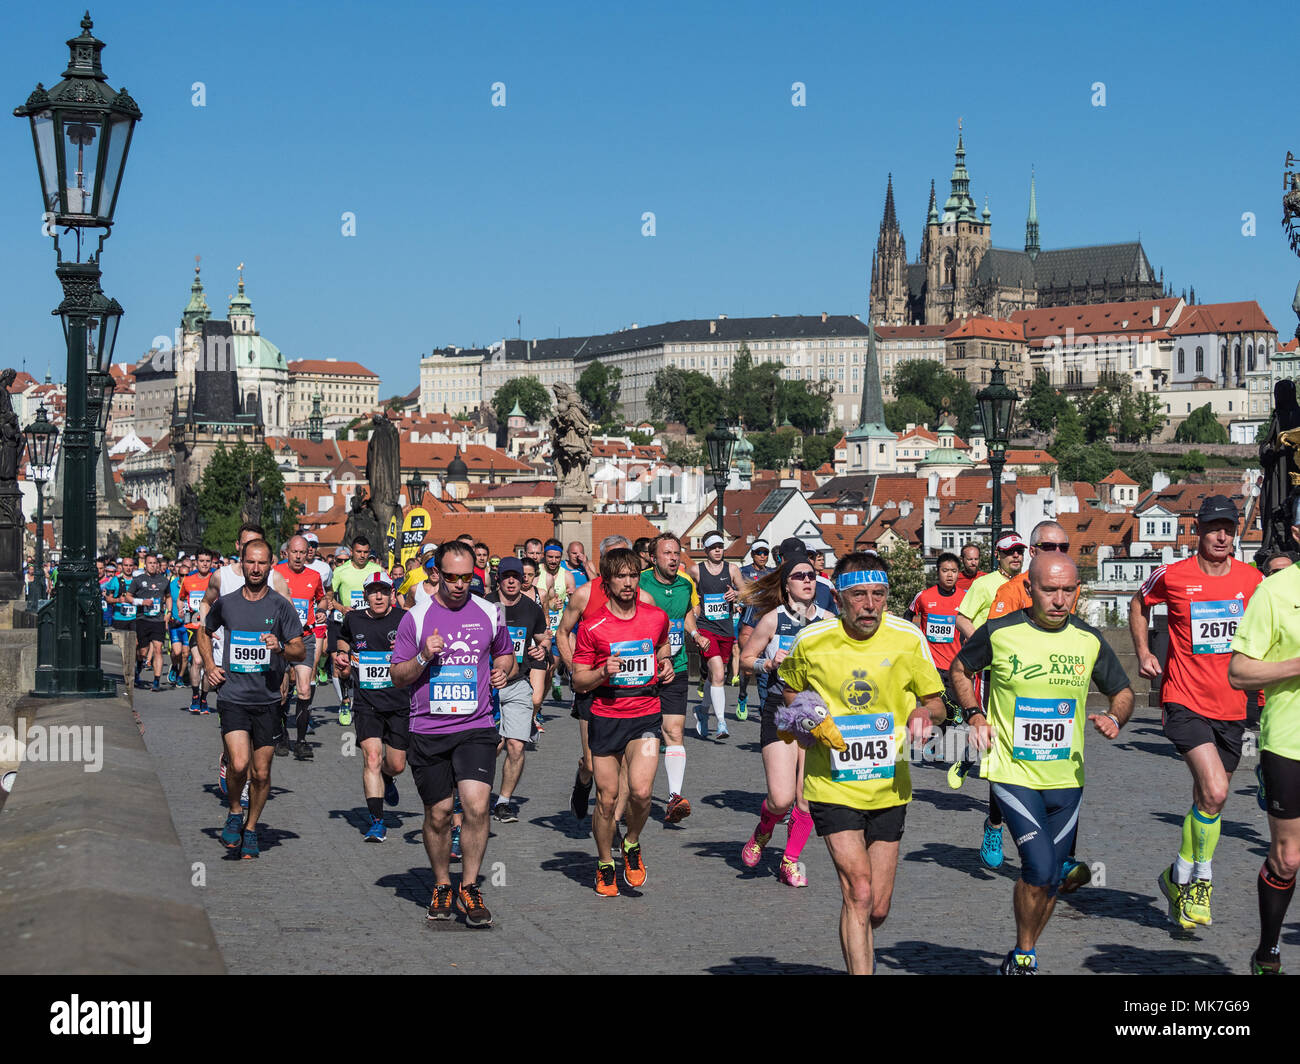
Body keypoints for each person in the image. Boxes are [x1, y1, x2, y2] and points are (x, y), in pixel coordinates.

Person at [952, 554, 1133, 974]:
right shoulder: (1000, 631)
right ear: (1029, 588)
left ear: (1078, 591)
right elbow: (961, 668)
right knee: (1038, 865)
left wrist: (1115, 716)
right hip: (1012, 771)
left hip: (1067, 776)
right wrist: (975, 715)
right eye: (1049, 590)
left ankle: (1022, 952)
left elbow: (1122, 691)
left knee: (1052, 878)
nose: (1059, 599)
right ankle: (1026, 957)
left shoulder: (1088, 639)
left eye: (1068, 590)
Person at [778, 552, 946, 974]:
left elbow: (937, 703)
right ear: (839, 596)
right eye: (859, 595)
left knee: (878, 907)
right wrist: (808, 719)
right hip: (831, 784)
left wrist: (924, 716)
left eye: (879, 594)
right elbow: (790, 694)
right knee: (859, 890)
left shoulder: (908, 638)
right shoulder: (811, 641)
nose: (870, 604)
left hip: (889, 786)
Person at [1131, 494, 1263, 930]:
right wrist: (1143, 651)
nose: (1222, 536)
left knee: (1209, 800)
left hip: (1234, 706)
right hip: (1184, 699)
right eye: (1214, 528)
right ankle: (1202, 881)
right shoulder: (1173, 575)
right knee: (1217, 791)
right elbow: (1137, 603)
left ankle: (1176, 876)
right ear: (1199, 531)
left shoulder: (1252, 581)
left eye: (1228, 528)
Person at [390, 539, 515, 928]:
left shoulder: (489, 612)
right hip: (428, 727)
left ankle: (470, 885)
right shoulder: (416, 617)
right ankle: (443, 883)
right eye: (452, 577)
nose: (460, 584)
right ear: (436, 575)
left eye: (467, 577)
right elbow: (397, 677)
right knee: (440, 813)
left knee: (477, 806)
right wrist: (424, 656)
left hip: (475, 725)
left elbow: (506, 652)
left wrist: (503, 670)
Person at [982, 521, 1090, 891]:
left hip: (1056, 699)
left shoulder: (1070, 583)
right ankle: (996, 825)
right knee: (1010, 769)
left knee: (1063, 773)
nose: (1057, 552)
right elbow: (987, 637)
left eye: (1064, 545)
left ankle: (1064, 856)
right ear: (1032, 551)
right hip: (1014, 697)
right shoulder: (1011, 590)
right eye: (1049, 546)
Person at [572, 547, 674, 896]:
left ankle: (631, 842)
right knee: (607, 798)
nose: (629, 583)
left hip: (644, 712)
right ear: (608, 582)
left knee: (643, 793)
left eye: (633, 575)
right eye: (621, 577)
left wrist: (666, 663)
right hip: (605, 716)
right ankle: (603, 862)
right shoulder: (592, 626)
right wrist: (602, 671)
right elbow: (578, 681)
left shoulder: (655, 616)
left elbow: (662, 648)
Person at [199, 539, 305, 861]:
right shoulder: (227, 603)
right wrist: (210, 666)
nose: (256, 569)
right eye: (250, 562)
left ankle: (251, 827)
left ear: (270, 565)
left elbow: (299, 649)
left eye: (262, 563)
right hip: (232, 695)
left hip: (269, 699)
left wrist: (281, 648)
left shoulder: (280, 606)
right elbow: (204, 631)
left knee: (261, 773)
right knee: (239, 763)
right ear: (242, 563)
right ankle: (234, 810)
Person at [1227, 521, 1300, 974]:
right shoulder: (1275, 592)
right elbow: (1240, 673)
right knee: (1288, 857)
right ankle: (1267, 952)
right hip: (1289, 741)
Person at [739, 550, 835, 886]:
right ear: (786, 584)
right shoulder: (772, 619)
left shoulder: (828, 622)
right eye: (800, 576)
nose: (808, 580)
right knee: (780, 799)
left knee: (807, 799)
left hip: (816, 713)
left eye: (811, 575)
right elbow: (745, 658)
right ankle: (763, 832)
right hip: (781, 709)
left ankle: (790, 861)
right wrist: (767, 663)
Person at [555, 535, 653, 821]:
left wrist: (663, 661)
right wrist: (576, 669)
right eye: (614, 560)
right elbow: (562, 632)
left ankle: (613, 824)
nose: (622, 570)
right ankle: (583, 780)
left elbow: (656, 639)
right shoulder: (585, 594)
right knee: (591, 762)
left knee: (622, 765)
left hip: (629, 692)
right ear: (603, 565)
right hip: (593, 686)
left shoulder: (641, 597)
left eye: (626, 560)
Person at [951, 532, 1028, 868]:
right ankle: (994, 825)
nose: (1016, 557)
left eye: (1020, 552)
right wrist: (981, 645)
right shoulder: (985, 585)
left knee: (1018, 754)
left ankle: (969, 755)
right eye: (1010, 552)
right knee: (993, 743)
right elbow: (962, 617)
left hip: (1028, 677)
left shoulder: (1032, 584)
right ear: (997, 555)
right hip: (992, 672)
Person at [334, 571, 407, 842]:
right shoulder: (354, 618)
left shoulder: (404, 618)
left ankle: (388, 779)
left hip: (400, 702)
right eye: (373, 591)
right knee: (372, 758)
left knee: (396, 764)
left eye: (384, 591)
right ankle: (377, 821)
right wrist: (342, 655)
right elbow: (343, 638)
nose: (378, 596)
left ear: (391, 594)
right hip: (367, 702)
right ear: (365, 595)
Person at [639, 533, 707, 824]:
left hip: (677, 665)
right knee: (643, 736)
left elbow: (685, 615)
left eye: (677, 553)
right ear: (653, 557)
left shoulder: (685, 583)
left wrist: (695, 634)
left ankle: (673, 797)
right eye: (667, 553)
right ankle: (634, 792)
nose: (674, 558)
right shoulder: (640, 581)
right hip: (643, 667)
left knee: (674, 731)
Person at [487, 557, 549, 822]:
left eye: (516, 576)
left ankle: (503, 801)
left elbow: (543, 635)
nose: (512, 581)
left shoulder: (531, 609)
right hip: (486, 686)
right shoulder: (485, 605)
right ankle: (473, 794)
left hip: (517, 684)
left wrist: (542, 647)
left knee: (515, 746)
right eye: (506, 576)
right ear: (498, 578)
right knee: (492, 746)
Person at [686, 530, 743, 739]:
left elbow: (746, 590)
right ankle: (721, 723)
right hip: (705, 628)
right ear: (706, 550)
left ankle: (702, 709)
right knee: (719, 672)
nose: (718, 550)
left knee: (714, 674)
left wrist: (736, 594)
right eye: (713, 547)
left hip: (726, 629)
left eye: (720, 546)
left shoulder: (733, 569)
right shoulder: (696, 571)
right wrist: (693, 604)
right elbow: (684, 586)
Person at [274, 535, 326, 760]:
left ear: (308, 554)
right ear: (287, 552)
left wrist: (323, 609)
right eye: (294, 552)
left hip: (305, 638)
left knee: (304, 689)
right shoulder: (275, 573)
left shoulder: (314, 576)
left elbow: (322, 599)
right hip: (281, 640)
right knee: (282, 694)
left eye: (302, 552)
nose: (297, 556)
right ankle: (282, 734)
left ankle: (302, 741)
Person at [903, 551, 966, 727]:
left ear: (958, 573)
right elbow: (907, 616)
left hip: (955, 662)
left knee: (953, 711)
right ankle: (934, 743)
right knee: (936, 708)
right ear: (937, 572)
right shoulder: (924, 596)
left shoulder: (965, 597)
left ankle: (948, 740)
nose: (949, 575)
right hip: (931, 663)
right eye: (945, 570)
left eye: (953, 571)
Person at [330, 536, 385, 726]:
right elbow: (329, 597)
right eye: (358, 552)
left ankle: (369, 702)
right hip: (347, 624)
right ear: (352, 552)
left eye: (365, 552)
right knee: (341, 663)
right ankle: (345, 701)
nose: (362, 555)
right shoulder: (340, 571)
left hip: (371, 624)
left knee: (367, 664)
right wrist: (341, 608)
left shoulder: (376, 570)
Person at [735, 539, 773, 721]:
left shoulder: (772, 573)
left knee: (764, 669)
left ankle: (765, 708)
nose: (763, 556)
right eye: (759, 552)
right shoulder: (743, 572)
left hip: (767, 624)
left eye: (766, 552)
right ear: (752, 554)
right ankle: (742, 695)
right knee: (748, 668)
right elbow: (735, 592)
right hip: (748, 621)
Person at [537, 539, 576, 700]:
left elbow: (574, 605)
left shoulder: (566, 575)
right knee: (540, 669)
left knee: (550, 669)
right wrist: (549, 603)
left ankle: (537, 705)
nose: (553, 561)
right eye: (550, 557)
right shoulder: (536, 573)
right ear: (544, 555)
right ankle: (534, 709)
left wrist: (567, 600)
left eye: (557, 557)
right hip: (538, 629)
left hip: (556, 629)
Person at [127, 553, 170, 692]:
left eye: (154, 563)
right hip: (142, 619)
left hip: (157, 620)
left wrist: (168, 612)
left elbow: (168, 597)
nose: (152, 565)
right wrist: (141, 602)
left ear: (157, 565)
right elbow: (128, 597)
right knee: (142, 652)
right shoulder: (138, 580)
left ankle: (156, 681)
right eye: (150, 563)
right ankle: (138, 670)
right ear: (145, 565)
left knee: (158, 649)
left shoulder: (164, 580)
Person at [180, 549, 215, 714]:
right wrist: (181, 610)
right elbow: (181, 599)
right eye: (202, 561)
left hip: (211, 627)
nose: (205, 564)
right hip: (194, 626)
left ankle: (204, 698)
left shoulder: (216, 579)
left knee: (209, 664)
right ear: (196, 562)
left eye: (208, 561)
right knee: (198, 661)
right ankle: (195, 696)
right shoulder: (188, 580)